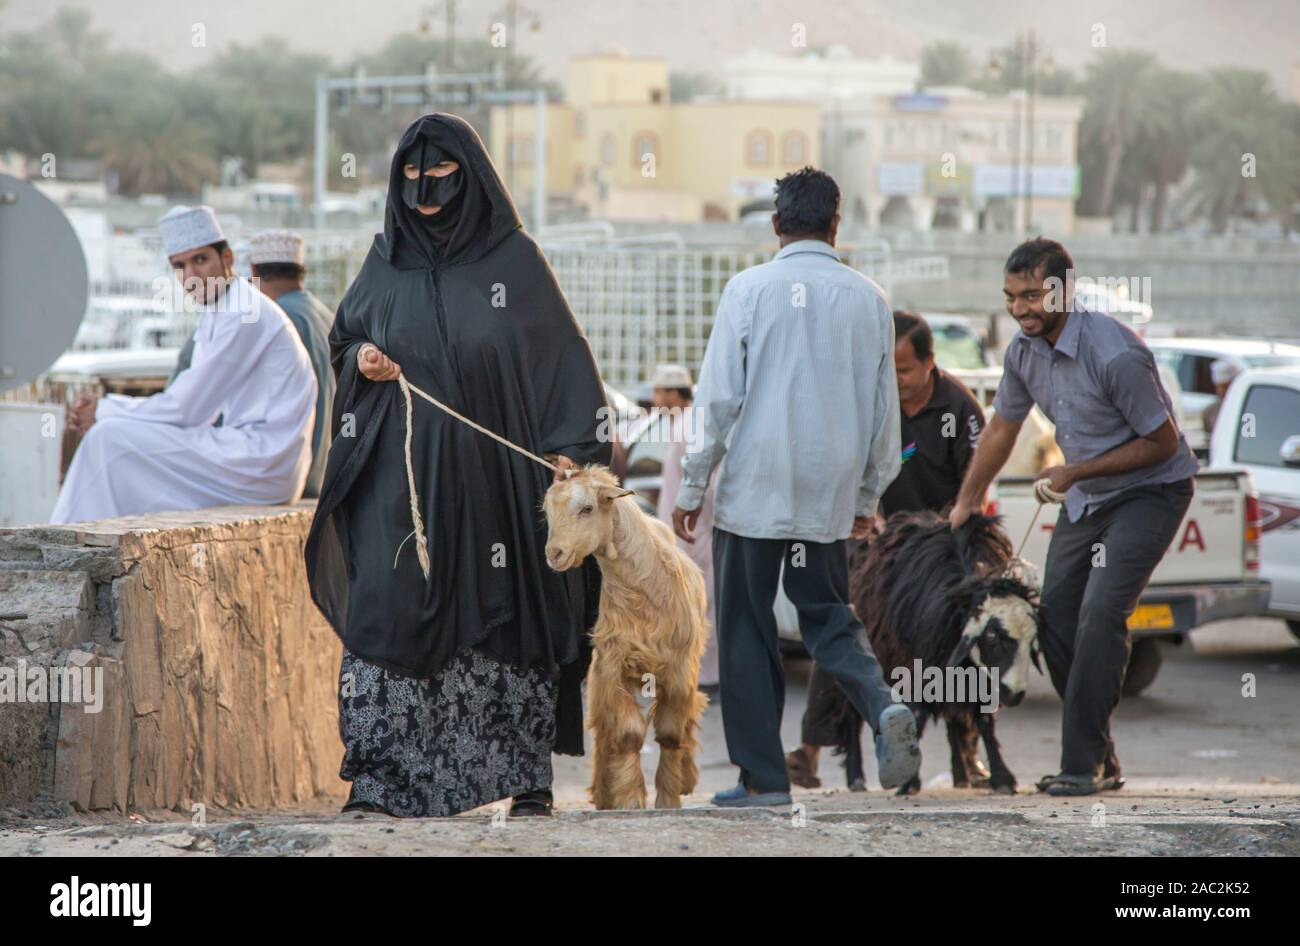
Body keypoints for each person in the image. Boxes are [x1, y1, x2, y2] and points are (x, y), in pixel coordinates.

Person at [304, 113, 610, 819]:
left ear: (471, 180)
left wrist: (576, 450)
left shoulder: (514, 263)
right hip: (400, 493)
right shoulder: (386, 261)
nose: (426, 193)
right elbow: (344, 337)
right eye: (412, 179)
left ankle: (521, 779)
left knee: (507, 616)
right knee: (388, 609)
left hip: (497, 490)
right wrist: (362, 362)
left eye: (442, 178)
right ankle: (380, 784)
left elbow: (562, 355)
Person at [673, 166, 921, 807]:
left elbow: (718, 399)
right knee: (831, 618)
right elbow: (882, 415)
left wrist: (692, 486)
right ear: (837, 225)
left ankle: (763, 780)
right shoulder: (869, 299)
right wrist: (866, 499)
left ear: (776, 225)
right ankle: (883, 704)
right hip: (826, 495)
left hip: (754, 492)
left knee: (747, 628)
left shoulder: (748, 290)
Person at [949, 237, 1199, 797]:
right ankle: (1103, 756)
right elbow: (1001, 428)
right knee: (1055, 619)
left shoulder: (1116, 353)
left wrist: (1076, 470)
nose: (1020, 309)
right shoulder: (1021, 352)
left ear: (1064, 289)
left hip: (1150, 492)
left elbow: (1163, 443)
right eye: (1011, 297)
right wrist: (968, 499)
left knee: (1100, 613)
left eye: (1033, 295)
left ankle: (1080, 764)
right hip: (1087, 498)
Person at [787, 311, 985, 789]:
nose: (894, 381)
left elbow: (975, 487)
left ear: (929, 363)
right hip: (879, 538)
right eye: (886, 370)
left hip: (941, 546)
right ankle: (809, 751)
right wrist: (867, 516)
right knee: (844, 625)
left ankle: (969, 754)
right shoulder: (870, 404)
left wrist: (955, 530)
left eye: (903, 371)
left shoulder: (961, 409)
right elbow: (847, 464)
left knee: (963, 638)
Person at [51, 205, 316, 524]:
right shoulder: (222, 309)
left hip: (261, 462)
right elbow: (190, 411)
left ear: (227, 258)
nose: (191, 276)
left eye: (200, 260)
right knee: (114, 441)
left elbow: (188, 411)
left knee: (108, 436)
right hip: (247, 456)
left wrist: (105, 409)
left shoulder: (245, 312)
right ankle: (75, 539)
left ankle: (63, 536)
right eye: (180, 266)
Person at [652, 363, 719, 691]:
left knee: (700, 603)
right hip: (684, 532)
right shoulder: (682, 424)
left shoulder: (690, 425)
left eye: (659, 392)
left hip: (693, 532)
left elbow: (704, 484)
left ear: (673, 394)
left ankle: (704, 677)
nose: (654, 399)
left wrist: (698, 522)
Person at [1201, 359, 1240, 438]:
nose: (1221, 391)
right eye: (1219, 387)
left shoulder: (1245, 408)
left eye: (1225, 386)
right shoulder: (1209, 412)